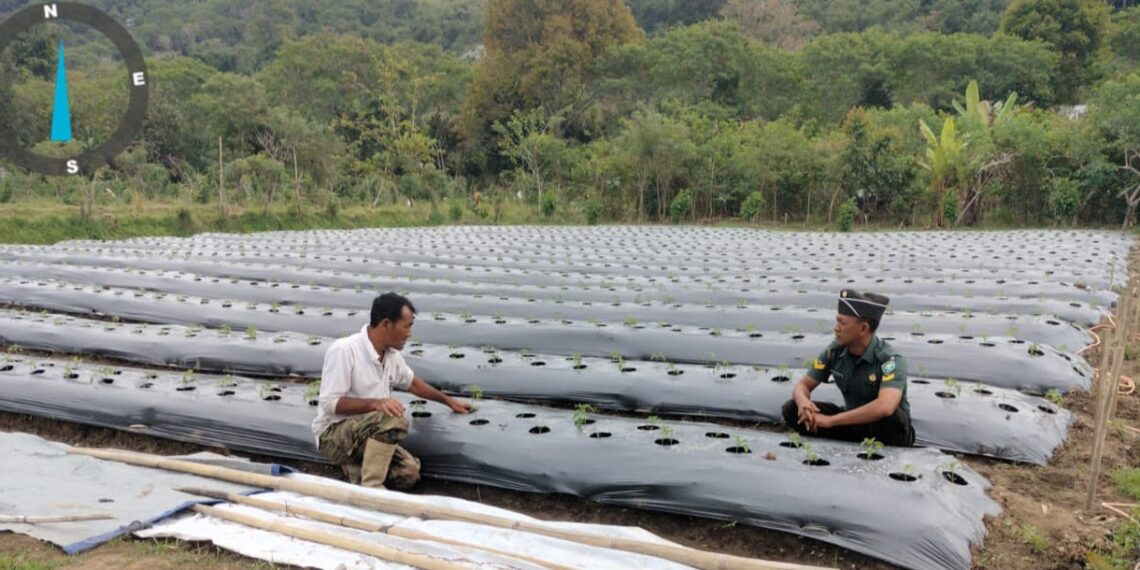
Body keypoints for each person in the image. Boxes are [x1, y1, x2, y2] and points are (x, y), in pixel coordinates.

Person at [311, 292, 472, 489]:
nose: (409, 334)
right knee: (393, 418)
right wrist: (375, 404)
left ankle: (356, 468)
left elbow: (412, 383)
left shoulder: (390, 355)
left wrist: (449, 401)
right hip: (334, 436)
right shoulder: (345, 350)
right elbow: (329, 404)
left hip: (369, 433)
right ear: (386, 324)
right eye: (407, 326)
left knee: (409, 472)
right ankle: (371, 488)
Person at [781, 289, 915, 446]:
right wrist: (803, 402)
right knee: (791, 408)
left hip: (886, 430)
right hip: (851, 421)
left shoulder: (889, 360)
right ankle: (845, 440)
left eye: (842, 323)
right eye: (837, 321)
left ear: (863, 328)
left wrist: (830, 421)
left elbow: (885, 407)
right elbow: (803, 385)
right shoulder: (835, 351)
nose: (836, 328)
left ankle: (845, 438)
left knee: (890, 417)